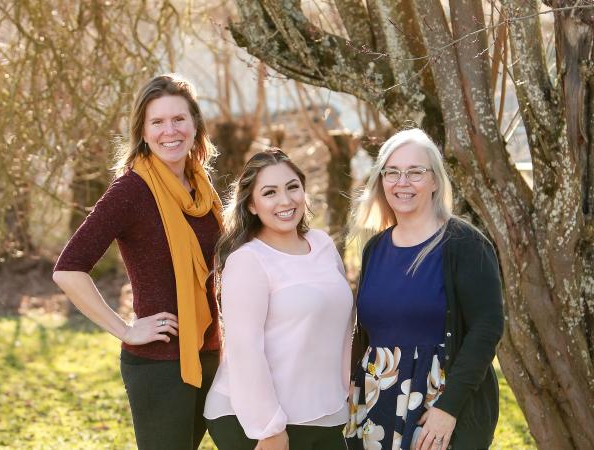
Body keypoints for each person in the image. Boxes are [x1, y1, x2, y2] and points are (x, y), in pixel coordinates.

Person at [53, 73, 223, 450]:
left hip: (212, 353)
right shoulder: (131, 190)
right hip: (160, 364)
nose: (170, 131)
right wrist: (126, 329)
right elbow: (69, 269)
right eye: (157, 122)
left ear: (195, 124)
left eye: (179, 119)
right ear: (143, 132)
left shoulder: (202, 189)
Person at [344, 128, 504, 450]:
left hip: (438, 409)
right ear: (381, 181)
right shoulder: (375, 248)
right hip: (376, 402)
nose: (402, 182)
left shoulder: (465, 245)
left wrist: (448, 408)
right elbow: (367, 330)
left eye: (415, 172)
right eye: (393, 172)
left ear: (434, 181)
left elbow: (487, 329)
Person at [204, 149, 353, 450]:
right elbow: (245, 350)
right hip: (256, 421)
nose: (285, 201)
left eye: (292, 187)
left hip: (326, 411)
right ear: (252, 205)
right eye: (270, 192)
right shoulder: (248, 261)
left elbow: (344, 320)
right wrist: (269, 428)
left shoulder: (322, 244)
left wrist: (345, 384)